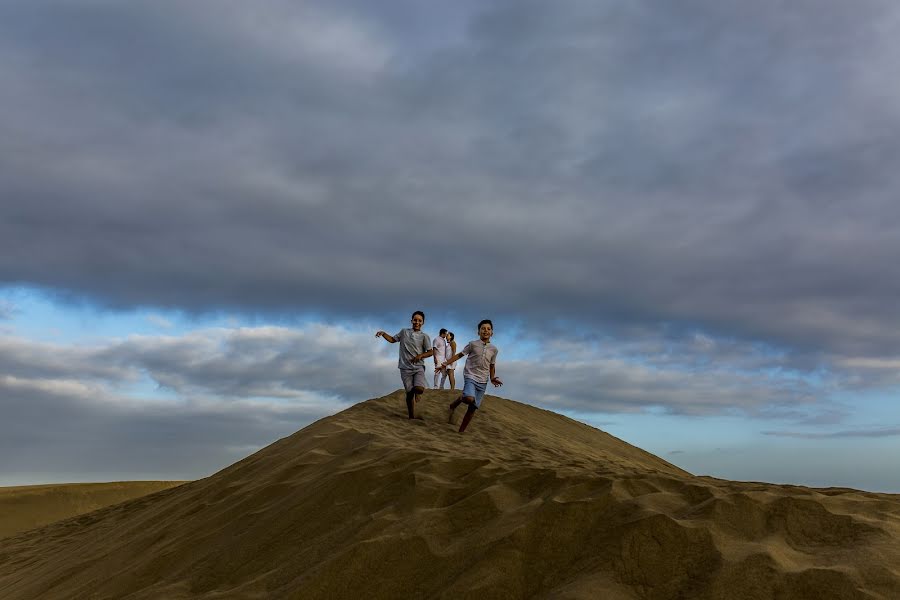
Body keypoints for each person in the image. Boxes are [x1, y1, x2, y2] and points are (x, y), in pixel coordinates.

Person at [441, 319, 502, 432]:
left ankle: (461, 432)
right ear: (478, 332)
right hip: (470, 376)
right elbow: (460, 355)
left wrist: (492, 378)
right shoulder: (472, 344)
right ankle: (460, 399)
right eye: (483, 328)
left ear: (492, 333)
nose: (485, 331)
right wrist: (446, 363)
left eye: (488, 329)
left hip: (483, 381)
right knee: (469, 398)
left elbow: (492, 365)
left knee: (472, 408)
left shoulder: (494, 350)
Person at [375, 311, 433, 419]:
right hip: (405, 368)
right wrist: (383, 333)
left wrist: (420, 356)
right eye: (415, 320)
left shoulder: (424, 337)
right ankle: (411, 416)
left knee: (419, 389)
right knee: (409, 393)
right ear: (411, 321)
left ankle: (418, 393)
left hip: (418, 367)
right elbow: (392, 340)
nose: (417, 322)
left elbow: (430, 352)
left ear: (423, 323)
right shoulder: (404, 332)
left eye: (420, 321)